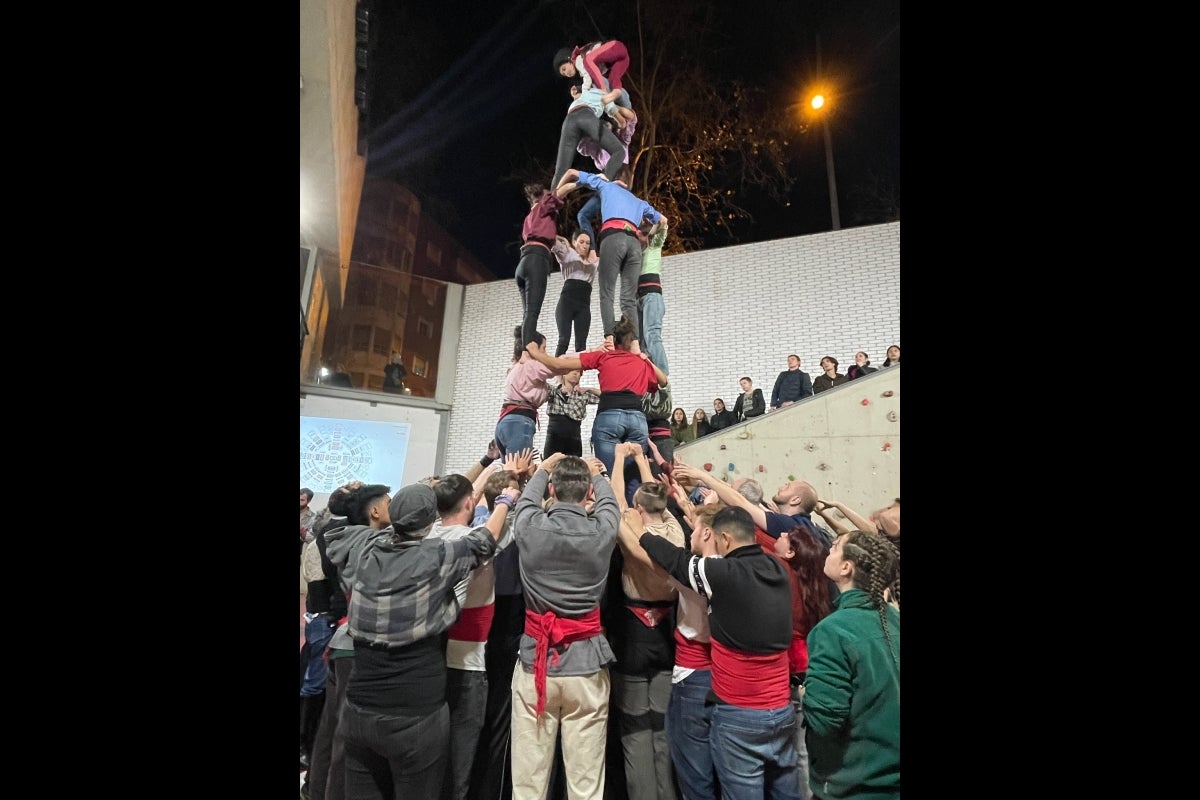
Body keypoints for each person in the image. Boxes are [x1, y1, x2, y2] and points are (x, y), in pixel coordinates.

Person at [323, 479, 519, 799]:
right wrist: (506, 501)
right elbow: (485, 540)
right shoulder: (437, 556)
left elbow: (338, 531)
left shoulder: (361, 548)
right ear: (431, 524)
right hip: (415, 713)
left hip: (359, 709)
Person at [631, 506, 803, 800]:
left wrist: (639, 530)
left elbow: (673, 560)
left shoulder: (721, 573)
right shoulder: (777, 567)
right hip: (782, 709)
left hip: (741, 714)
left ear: (724, 539)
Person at [509, 452, 621, 800]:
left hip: (535, 663)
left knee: (528, 782)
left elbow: (527, 498)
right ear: (588, 492)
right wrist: (595, 474)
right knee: (585, 785)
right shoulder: (602, 530)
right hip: (586, 666)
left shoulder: (527, 526)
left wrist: (543, 468)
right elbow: (611, 503)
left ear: (552, 489)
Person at [428, 467, 525, 800]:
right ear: (469, 503)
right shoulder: (474, 543)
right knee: (462, 750)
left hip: (432, 654)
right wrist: (514, 494)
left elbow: (465, 506)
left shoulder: (427, 535)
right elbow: (501, 529)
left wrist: (485, 477)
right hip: (469, 658)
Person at [608, 443, 685, 800]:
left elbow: (615, 502)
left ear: (639, 508)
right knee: (663, 726)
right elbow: (659, 497)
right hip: (668, 635)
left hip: (634, 632)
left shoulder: (630, 528)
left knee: (635, 729)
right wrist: (642, 459)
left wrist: (621, 460)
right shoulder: (677, 533)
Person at [303, 481, 389, 800]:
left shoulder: (339, 537)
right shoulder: (374, 545)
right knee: (344, 733)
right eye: (389, 502)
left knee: (330, 727)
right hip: (354, 641)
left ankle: (316, 788)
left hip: (341, 640)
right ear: (375, 510)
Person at [803, 530, 900, 800]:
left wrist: (806, 694)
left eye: (834, 548)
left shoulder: (833, 631)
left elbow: (824, 722)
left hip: (854, 785)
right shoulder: (894, 619)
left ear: (846, 567)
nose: (828, 551)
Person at [523, 314, 667, 477]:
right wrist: (643, 358)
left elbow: (559, 364)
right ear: (630, 342)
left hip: (610, 415)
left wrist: (535, 352)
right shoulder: (640, 362)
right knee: (635, 474)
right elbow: (663, 381)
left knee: (609, 473)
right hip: (637, 417)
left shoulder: (603, 356)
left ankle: (611, 500)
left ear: (614, 341)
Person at [555, 167, 665, 351]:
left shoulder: (606, 185)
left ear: (614, 178)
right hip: (634, 244)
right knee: (628, 298)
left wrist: (555, 194)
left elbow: (572, 172)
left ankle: (609, 338)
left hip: (613, 238)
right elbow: (663, 221)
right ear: (629, 183)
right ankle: (636, 344)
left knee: (607, 292)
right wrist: (646, 236)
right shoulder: (639, 202)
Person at [515, 180, 574, 350]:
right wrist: (582, 181)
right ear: (541, 198)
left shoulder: (529, 218)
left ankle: (523, 350)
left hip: (523, 262)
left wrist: (559, 238)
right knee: (533, 312)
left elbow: (542, 235)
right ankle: (527, 352)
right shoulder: (543, 206)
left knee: (528, 314)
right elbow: (562, 191)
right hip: (537, 261)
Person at [493, 328, 559, 459]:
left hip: (507, 420)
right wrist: (589, 354)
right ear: (533, 348)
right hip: (519, 422)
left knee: (509, 470)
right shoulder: (531, 365)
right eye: (543, 349)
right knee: (516, 471)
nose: (545, 353)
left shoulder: (515, 366)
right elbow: (558, 366)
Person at [554, 39, 633, 121]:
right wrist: (579, 90)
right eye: (564, 74)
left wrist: (583, 92)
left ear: (570, 60)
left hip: (614, 46)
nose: (566, 73)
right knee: (612, 80)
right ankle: (617, 94)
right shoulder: (586, 69)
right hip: (621, 59)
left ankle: (604, 91)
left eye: (564, 69)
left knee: (588, 61)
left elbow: (587, 76)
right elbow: (593, 75)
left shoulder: (578, 59)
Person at [551, 230, 599, 356]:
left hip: (583, 305)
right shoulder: (568, 252)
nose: (585, 245)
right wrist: (560, 237)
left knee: (581, 346)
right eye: (581, 242)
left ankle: (577, 375)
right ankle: (557, 374)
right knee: (563, 340)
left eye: (588, 243)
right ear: (574, 242)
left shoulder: (595, 260)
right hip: (567, 302)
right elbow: (547, 236)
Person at [544, 368, 601, 458]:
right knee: (551, 466)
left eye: (578, 372)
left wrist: (589, 389)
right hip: (555, 437)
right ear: (563, 373)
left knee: (574, 468)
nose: (575, 373)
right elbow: (538, 383)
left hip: (574, 438)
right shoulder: (554, 391)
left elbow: (606, 396)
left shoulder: (583, 395)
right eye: (571, 370)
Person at [816, 497, 900, 551]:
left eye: (890, 508)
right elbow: (845, 534)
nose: (886, 510)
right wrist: (826, 513)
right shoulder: (884, 542)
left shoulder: (887, 551)